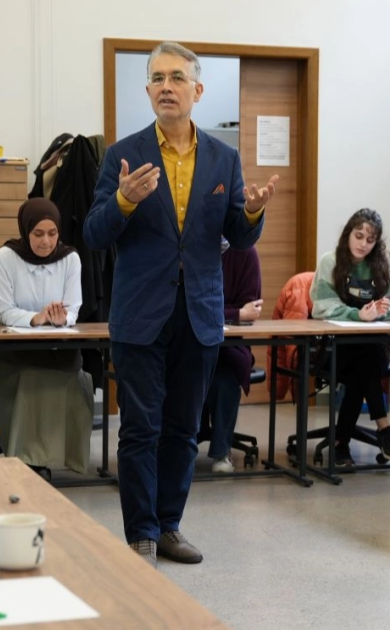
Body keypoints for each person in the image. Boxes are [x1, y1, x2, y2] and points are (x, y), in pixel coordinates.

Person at [85, 41, 277, 565]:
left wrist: (255, 213)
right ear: (147, 90)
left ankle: (170, 525)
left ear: (197, 90)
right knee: (141, 428)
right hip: (139, 315)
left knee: (183, 429)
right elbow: (94, 233)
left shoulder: (223, 157)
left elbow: (238, 237)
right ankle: (140, 533)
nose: (166, 86)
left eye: (176, 77)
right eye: (157, 78)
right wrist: (124, 200)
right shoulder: (121, 154)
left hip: (199, 314)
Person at [0, 199, 93, 475]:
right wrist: (35, 319)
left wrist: (61, 319)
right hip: (9, 349)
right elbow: (4, 310)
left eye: (52, 234)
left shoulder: (71, 258)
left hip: (56, 343)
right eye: (38, 234)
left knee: (74, 379)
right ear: (25, 231)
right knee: (30, 378)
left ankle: (54, 457)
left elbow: (74, 308)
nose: (46, 242)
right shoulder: (5, 257)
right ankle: (28, 459)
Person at [310, 209, 390, 467]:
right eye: (359, 236)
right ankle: (384, 430)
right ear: (348, 233)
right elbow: (320, 306)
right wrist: (356, 315)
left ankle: (342, 444)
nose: (363, 244)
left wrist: (378, 314)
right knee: (363, 365)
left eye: (370, 240)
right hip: (335, 347)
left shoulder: (384, 264)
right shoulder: (330, 262)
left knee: (364, 362)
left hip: (374, 345)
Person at [204, 239, 262, 473]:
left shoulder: (246, 251)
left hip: (229, 347)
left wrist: (233, 313)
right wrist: (235, 312)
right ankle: (175, 446)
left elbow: (251, 311)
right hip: (190, 341)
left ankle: (222, 451)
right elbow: (189, 303)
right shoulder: (192, 246)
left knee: (225, 379)